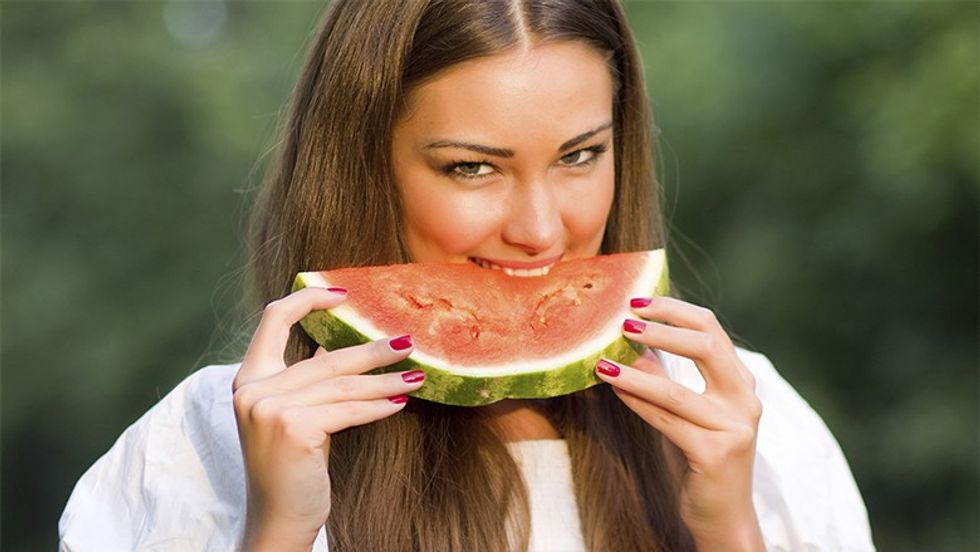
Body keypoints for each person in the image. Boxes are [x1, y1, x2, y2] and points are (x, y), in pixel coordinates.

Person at [59, 1, 875, 550]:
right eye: (472, 168)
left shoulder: (752, 427)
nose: (541, 229)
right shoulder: (203, 449)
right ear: (364, 172)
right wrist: (277, 530)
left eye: (580, 156)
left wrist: (728, 527)